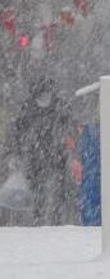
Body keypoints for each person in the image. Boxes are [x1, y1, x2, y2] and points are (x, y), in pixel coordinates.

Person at [13, 77, 77, 225]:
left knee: (52, 187)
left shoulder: (35, 107)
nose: (45, 96)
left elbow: (19, 130)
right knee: (43, 188)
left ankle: (49, 218)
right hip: (44, 153)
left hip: (49, 152)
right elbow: (19, 130)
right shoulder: (55, 106)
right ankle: (45, 217)